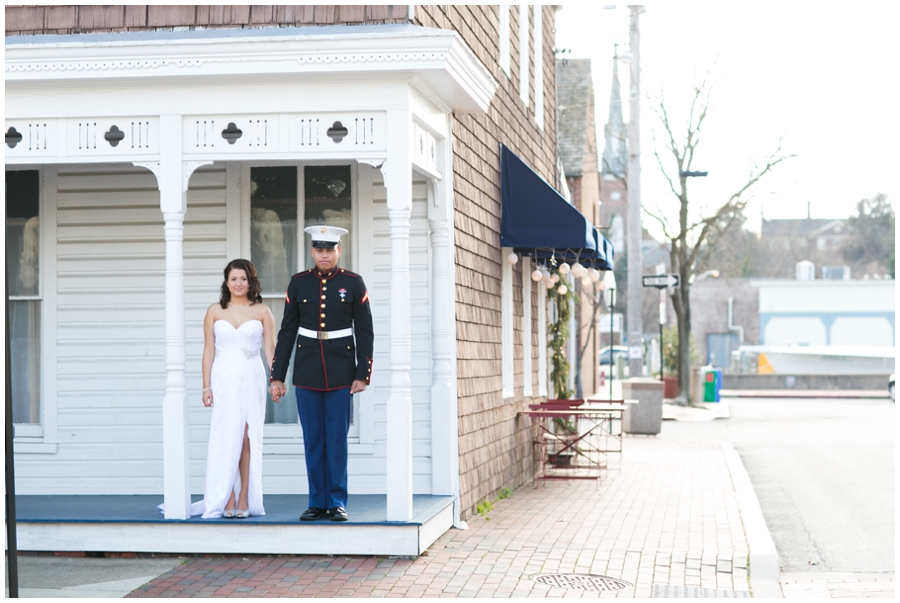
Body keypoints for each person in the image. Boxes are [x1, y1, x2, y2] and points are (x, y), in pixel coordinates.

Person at [270, 225, 374, 522]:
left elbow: (365, 332)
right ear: (313, 251)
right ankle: (317, 502)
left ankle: (337, 501)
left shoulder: (353, 283)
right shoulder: (299, 283)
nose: (324, 255)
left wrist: (362, 373)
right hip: (307, 370)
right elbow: (287, 332)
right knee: (313, 439)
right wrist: (278, 375)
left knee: (337, 440)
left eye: (330, 249)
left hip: (342, 371)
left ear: (338, 251)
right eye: (319, 249)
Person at [190, 259, 276, 519]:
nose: (239, 284)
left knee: (247, 437)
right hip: (223, 377)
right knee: (226, 435)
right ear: (226, 282)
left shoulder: (263, 311)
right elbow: (208, 350)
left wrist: (277, 380)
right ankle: (225, 496)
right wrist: (206, 387)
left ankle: (244, 498)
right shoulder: (215, 311)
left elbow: (271, 349)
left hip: (252, 376)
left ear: (251, 281)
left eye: (243, 279)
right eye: (233, 279)